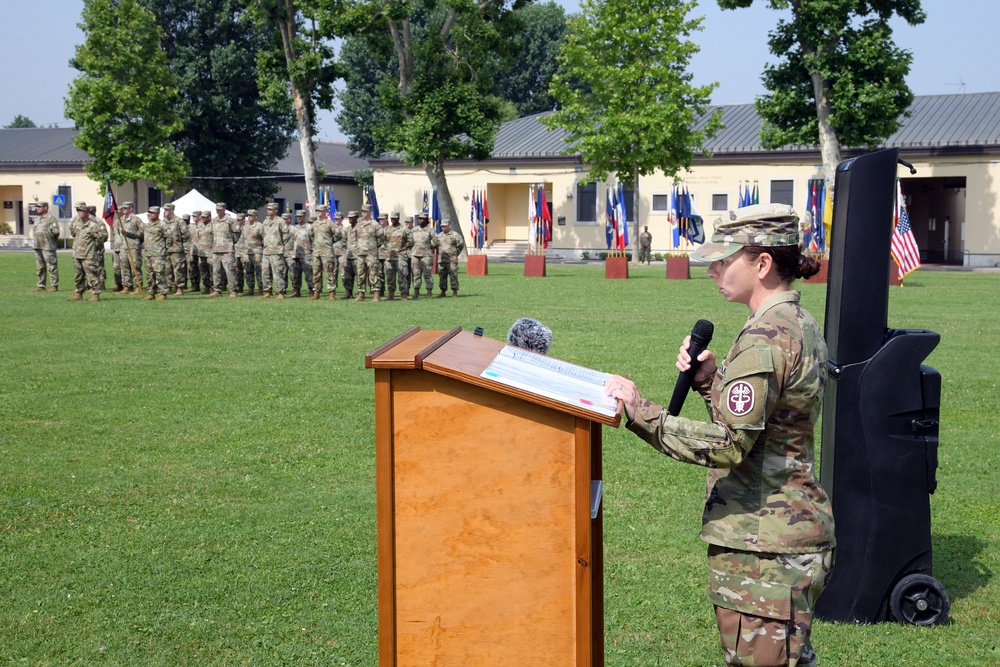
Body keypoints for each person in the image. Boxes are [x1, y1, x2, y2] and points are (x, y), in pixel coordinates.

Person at [603, 204, 834, 667]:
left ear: (762, 263)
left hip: (765, 543)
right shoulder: (795, 323)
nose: (711, 270)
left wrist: (641, 410)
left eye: (724, 260)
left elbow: (730, 445)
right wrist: (711, 382)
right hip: (774, 535)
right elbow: (766, 429)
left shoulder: (765, 337)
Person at [68, 203, 106, 301]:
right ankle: (79, 293)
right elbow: (74, 235)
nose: (79, 213)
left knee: (92, 275)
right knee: (78, 276)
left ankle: (96, 294)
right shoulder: (76, 224)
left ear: (87, 213)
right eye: (78, 211)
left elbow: (100, 239)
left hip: (89, 255)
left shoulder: (93, 226)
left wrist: (94, 248)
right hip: (77, 254)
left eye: (81, 211)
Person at [310, 204, 341, 301]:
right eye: (317, 211)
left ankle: (331, 293)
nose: (318, 212)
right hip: (316, 252)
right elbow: (311, 235)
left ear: (324, 212)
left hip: (327, 252)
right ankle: (316, 292)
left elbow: (338, 235)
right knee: (316, 273)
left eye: (320, 211)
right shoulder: (314, 224)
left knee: (329, 273)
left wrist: (330, 241)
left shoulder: (330, 223)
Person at [209, 202, 240, 298]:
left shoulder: (230, 220)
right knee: (216, 271)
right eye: (217, 209)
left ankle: (233, 290)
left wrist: (231, 242)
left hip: (227, 250)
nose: (218, 211)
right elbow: (211, 233)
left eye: (220, 209)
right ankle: (217, 290)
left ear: (224, 209)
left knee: (230, 270)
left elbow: (237, 232)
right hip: (216, 249)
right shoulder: (214, 220)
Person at [260, 203, 289, 299]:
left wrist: (280, 244)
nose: (268, 211)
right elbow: (263, 234)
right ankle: (268, 291)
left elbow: (286, 234)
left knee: (278, 272)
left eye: (271, 209)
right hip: (266, 251)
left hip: (277, 251)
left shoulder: (280, 221)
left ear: (276, 210)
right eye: (268, 209)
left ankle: (281, 291)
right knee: (265, 272)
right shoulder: (265, 221)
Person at [383, 211, 413, 300]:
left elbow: (411, 241)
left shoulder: (404, 229)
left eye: (394, 218)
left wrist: (403, 248)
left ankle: (403, 294)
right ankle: (391, 294)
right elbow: (383, 240)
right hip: (389, 256)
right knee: (389, 276)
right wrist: (388, 247)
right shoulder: (387, 229)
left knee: (402, 276)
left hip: (401, 256)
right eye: (391, 218)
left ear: (398, 218)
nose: (393, 220)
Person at [32, 201, 60, 292]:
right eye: (37, 207)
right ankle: (41, 285)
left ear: (45, 208)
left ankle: (54, 285)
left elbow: (56, 232)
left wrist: (52, 240)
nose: (38, 208)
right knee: (40, 267)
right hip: (38, 246)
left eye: (40, 207)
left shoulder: (51, 219)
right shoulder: (37, 219)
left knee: (51, 266)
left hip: (48, 246)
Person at [409, 212, 437, 299]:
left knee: (427, 274)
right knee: (416, 274)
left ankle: (429, 292)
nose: (421, 220)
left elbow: (436, 242)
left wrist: (430, 247)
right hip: (415, 255)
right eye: (419, 219)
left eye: (423, 219)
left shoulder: (430, 230)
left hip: (426, 256)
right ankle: (416, 292)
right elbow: (409, 241)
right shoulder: (414, 230)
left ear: (426, 220)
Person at [436, 218, 465, 297]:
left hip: (451, 260)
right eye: (442, 226)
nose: (443, 227)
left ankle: (454, 292)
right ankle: (443, 292)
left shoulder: (455, 235)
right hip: (442, 260)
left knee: (453, 275)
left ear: (449, 226)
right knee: (442, 276)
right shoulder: (439, 236)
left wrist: (455, 253)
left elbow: (461, 245)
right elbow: (435, 245)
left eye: (445, 226)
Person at [289, 210, 313, 297]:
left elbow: (313, 240)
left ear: (304, 216)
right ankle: (296, 290)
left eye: (300, 216)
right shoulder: (295, 228)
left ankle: (311, 290)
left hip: (306, 254)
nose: (298, 218)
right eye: (297, 216)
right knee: (295, 274)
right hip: (296, 255)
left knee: (308, 274)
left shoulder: (309, 227)